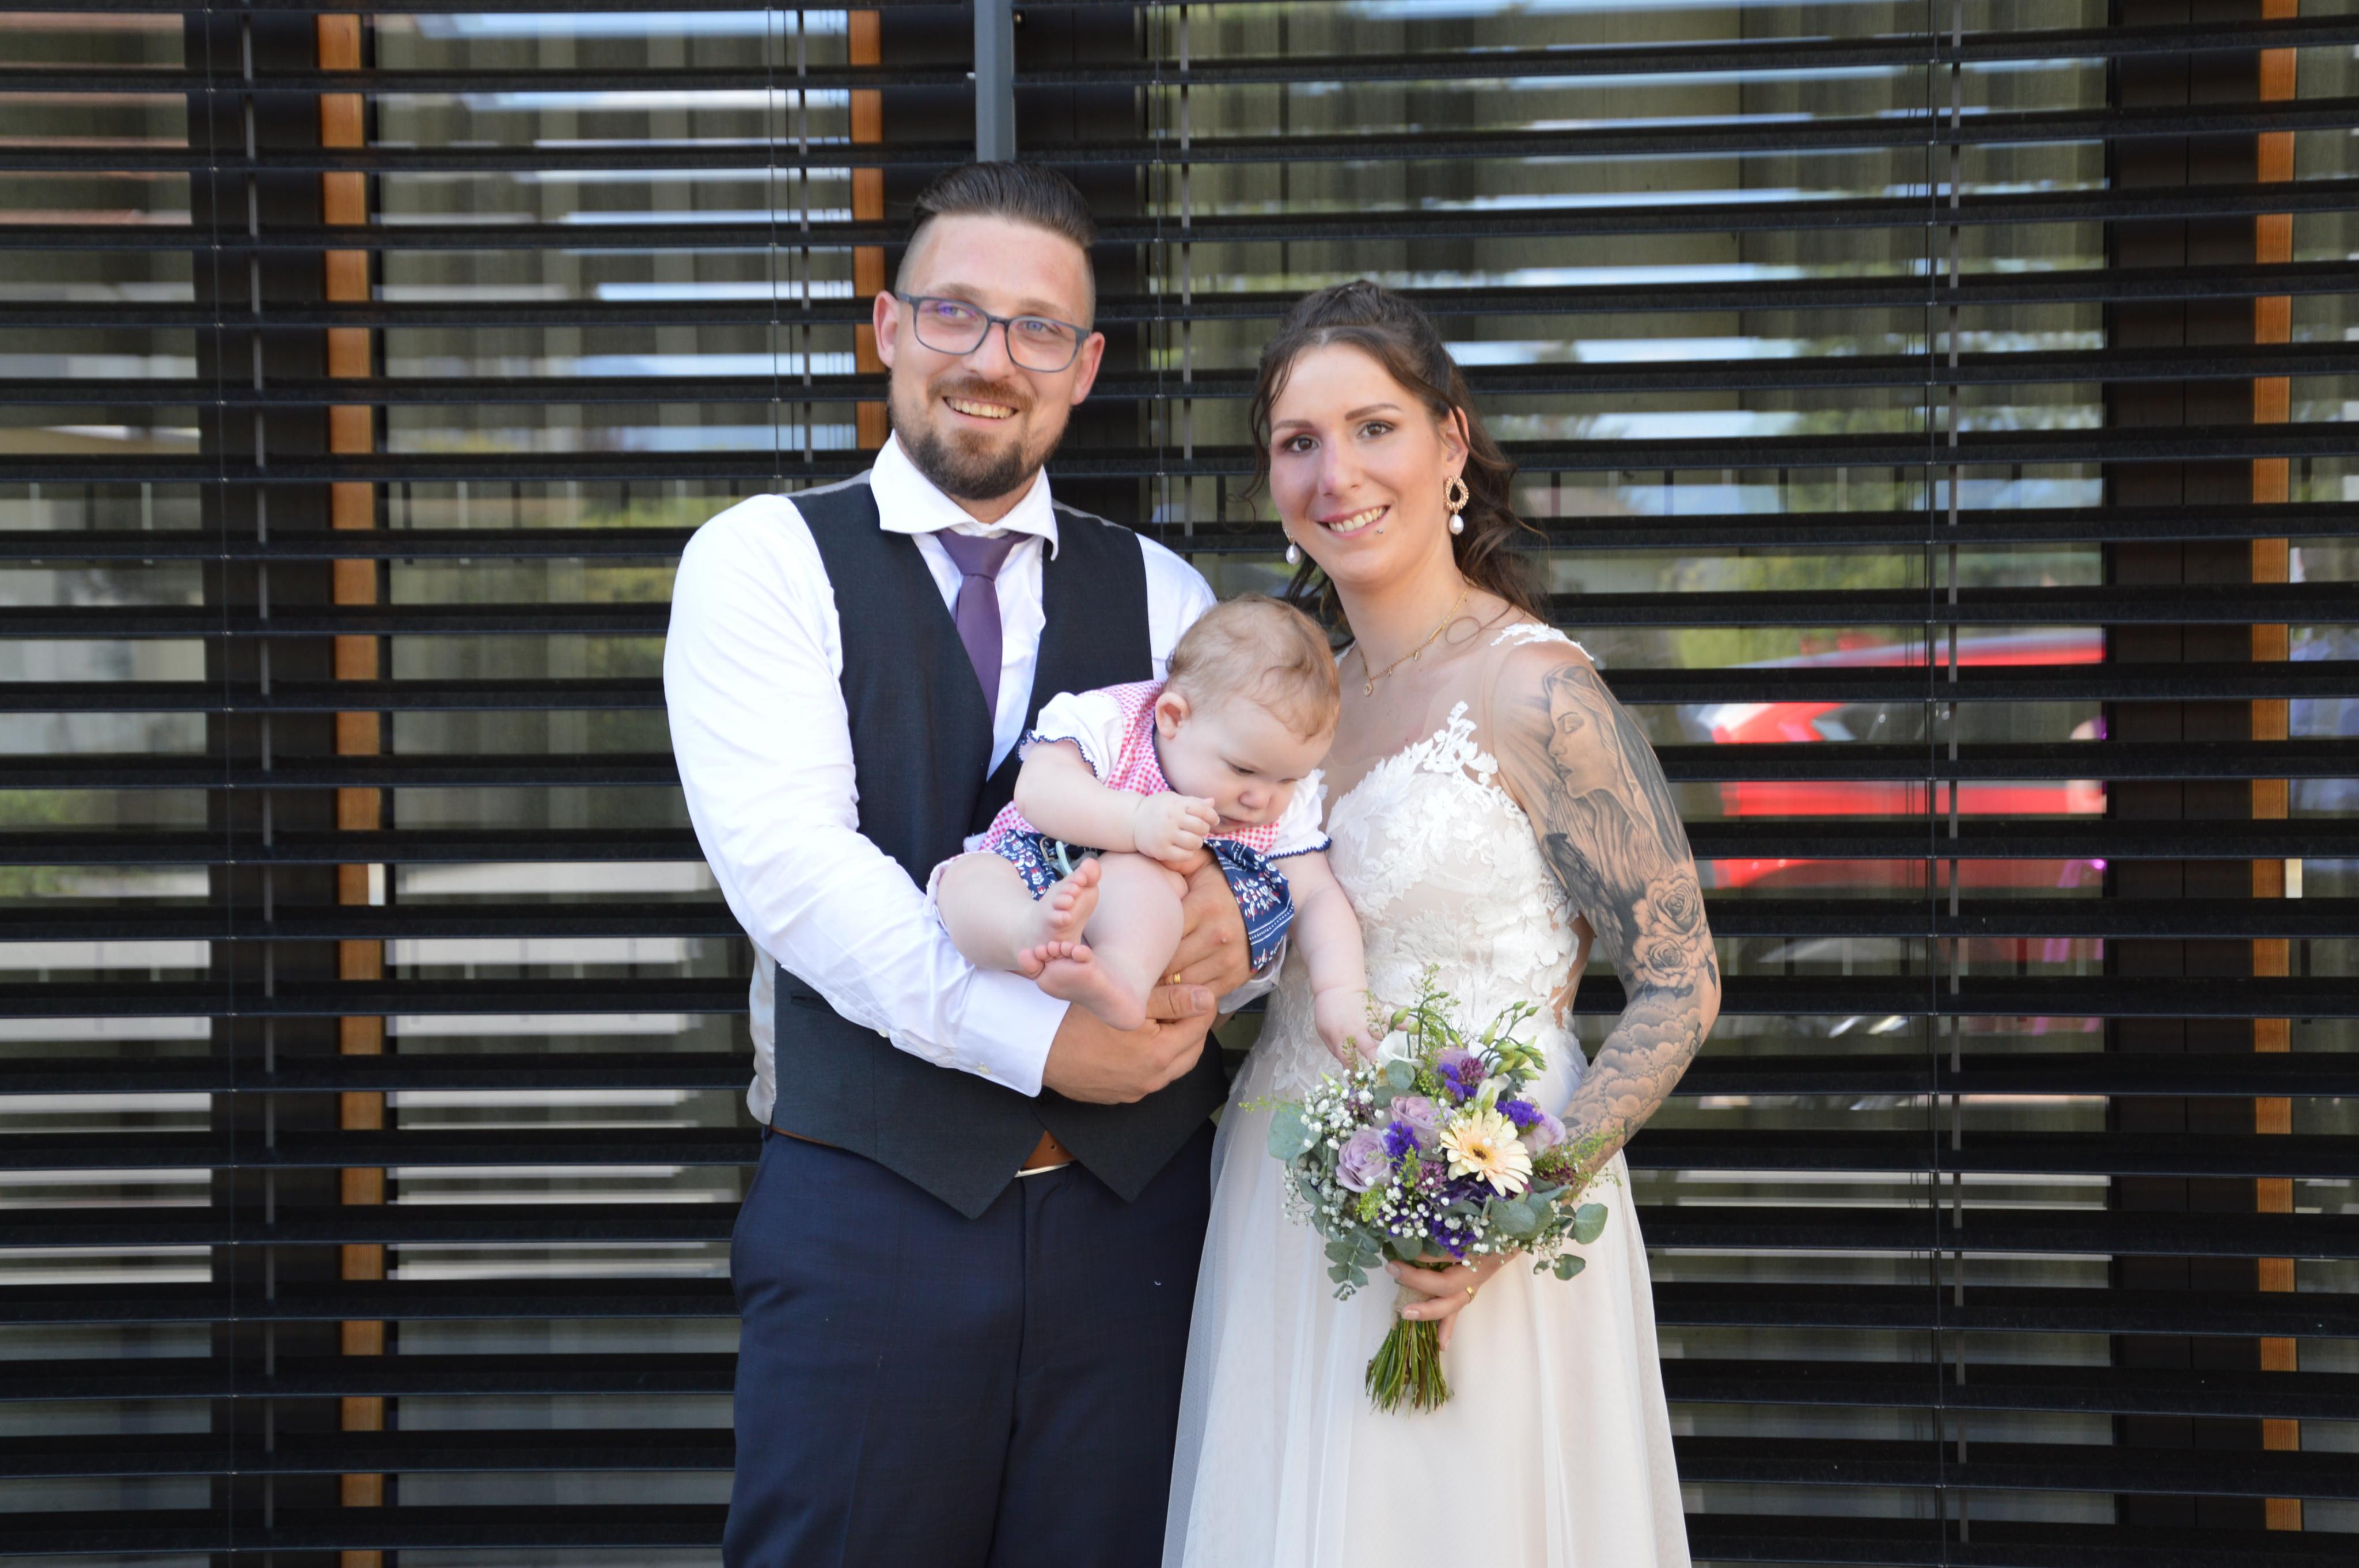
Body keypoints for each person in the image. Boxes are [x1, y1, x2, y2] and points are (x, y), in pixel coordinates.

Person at [665, 161, 1257, 1568]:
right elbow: (802, 876)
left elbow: (1250, 850)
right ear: (887, 327)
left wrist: (1233, 945)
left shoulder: (1167, 595)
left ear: (1085, 366)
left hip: (1139, 1231)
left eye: (1037, 327)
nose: (992, 359)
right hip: (871, 1218)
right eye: (954, 313)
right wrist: (1047, 1044)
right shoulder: (761, 563)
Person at [1164, 280, 1720, 1567]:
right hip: (1282, 1214)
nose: (1336, 474)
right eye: (1298, 441)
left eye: (1374, 428)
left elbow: (1680, 977)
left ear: (1450, 443)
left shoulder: (1538, 690)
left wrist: (1512, 1205)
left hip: (1478, 1230)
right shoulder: (1295, 702)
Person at [933, 594, 1370, 1052]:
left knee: (1144, 876)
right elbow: (1037, 787)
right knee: (965, 881)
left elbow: (1316, 895)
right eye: (1242, 769)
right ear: (1173, 717)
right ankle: (1027, 933)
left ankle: (1120, 976)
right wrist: (1136, 819)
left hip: (1133, 923)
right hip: (1032, 869)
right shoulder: (1115, 721)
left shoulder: (1283, 807)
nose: (1260, 799)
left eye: (1287, 779)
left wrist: (1340, 990)